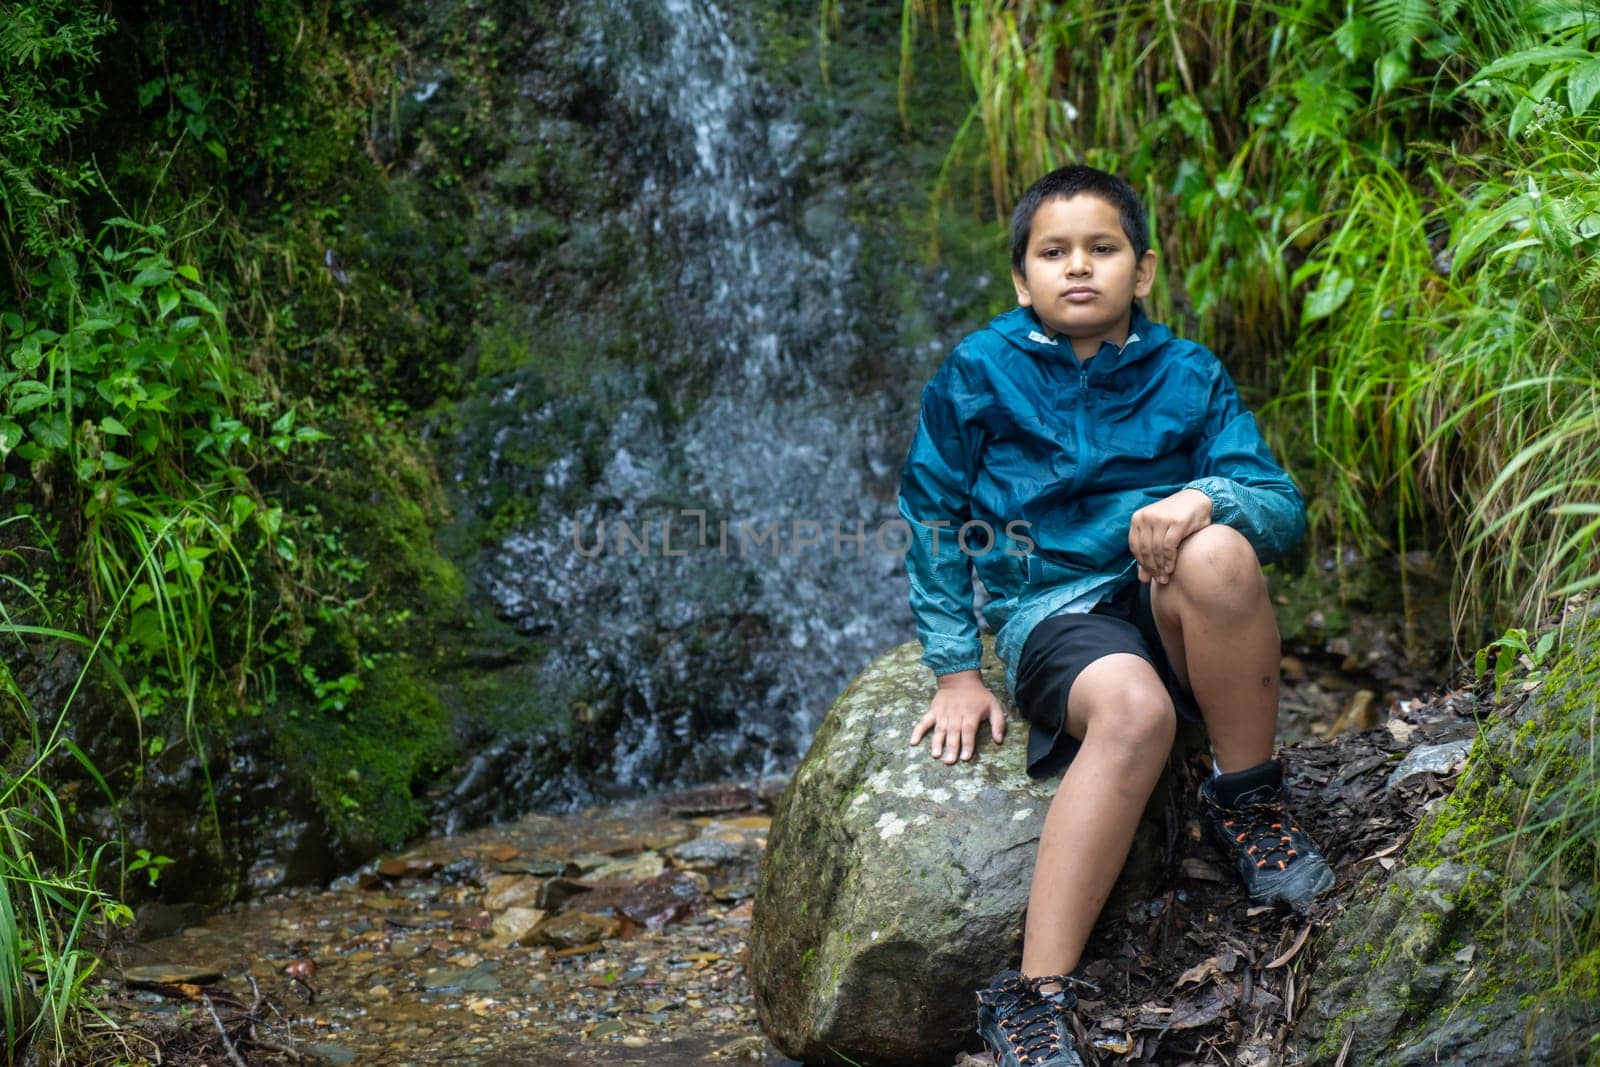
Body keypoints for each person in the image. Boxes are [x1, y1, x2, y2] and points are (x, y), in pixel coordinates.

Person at [896, 164, 1335, 1067]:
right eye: (1053, 253)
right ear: (1023, 279)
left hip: (1167, 592)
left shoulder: (1186, 372)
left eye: (1103, 248)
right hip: (1053, 612)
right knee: (1136, 711)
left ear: (1141, 270)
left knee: (1221, 549)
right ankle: (1032, 996)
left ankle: (1247, 801)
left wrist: (1204, 498)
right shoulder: (979, 371)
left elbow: (1281, 509)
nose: (1079, 267)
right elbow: (933, 514)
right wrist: (955, 668)